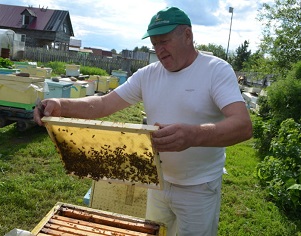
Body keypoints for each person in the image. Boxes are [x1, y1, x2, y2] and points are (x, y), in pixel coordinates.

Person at [34, 6, 252, 236]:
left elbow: (242, 125)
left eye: (165, 41)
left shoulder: (215, 70)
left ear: (187, 35)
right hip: (157, 181)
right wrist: (61, 104)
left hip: (199, 186)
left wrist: (192, 135)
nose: (159, 50)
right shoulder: (148, 74)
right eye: (155, 44)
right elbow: (103, 104)